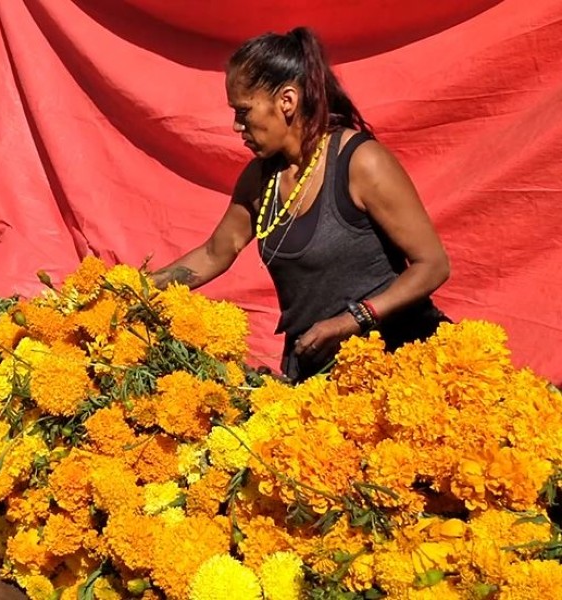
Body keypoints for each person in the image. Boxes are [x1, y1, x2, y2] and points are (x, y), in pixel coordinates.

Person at [152, 27, 451, 382]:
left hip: (404, 365)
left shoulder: (360, 162)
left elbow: (432, 265)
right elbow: (216, 253)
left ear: (287, 101)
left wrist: (353, 319)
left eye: (244, 111)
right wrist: (134, 289)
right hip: (319, 378)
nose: (236, 125)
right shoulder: (260, 179)